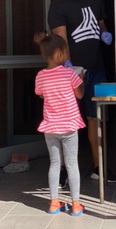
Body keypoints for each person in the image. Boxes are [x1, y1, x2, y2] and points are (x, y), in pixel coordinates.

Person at [48, 0, 116, 183]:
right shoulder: (58, 5)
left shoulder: (94, 0)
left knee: (95, 119)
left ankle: (99, 167)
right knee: (66, 122)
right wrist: (68, 65)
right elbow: (61, 38)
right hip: (70, 72)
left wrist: (105, 34)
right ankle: (64, 170)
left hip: (97, 69)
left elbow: (100, 24)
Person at [34, 31, 85, 216]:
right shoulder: (69, 74)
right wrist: (82, 78)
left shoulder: (40, 75)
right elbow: (80, 94)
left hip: (50, 127)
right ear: (60, 54)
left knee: (54, 164)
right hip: (69, 127)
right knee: (72, 164)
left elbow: (40, 93)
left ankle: (54, 203)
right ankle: (76, 204)